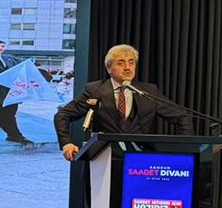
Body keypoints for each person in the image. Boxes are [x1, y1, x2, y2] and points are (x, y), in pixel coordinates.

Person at [54, 44, 192, 161]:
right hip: (103, 160)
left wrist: (183, 149)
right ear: (109, 68)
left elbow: (182, 116)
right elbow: (62, 115)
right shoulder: (95, 90)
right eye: (121, 63)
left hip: (140, 160)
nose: (127, 67)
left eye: (131, 62)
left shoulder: (148, 91)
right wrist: (67, 143)